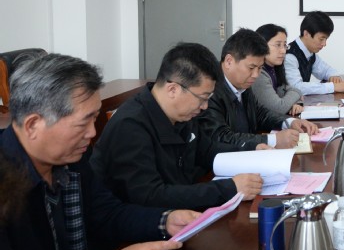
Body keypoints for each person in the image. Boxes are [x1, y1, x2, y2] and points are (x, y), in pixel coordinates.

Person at [0, 53, 199, 250]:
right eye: (82, 123)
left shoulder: (71, 156)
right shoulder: (5, 184)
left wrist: (165, 221)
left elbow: (106, 213)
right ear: (33, 125)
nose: (92, 133)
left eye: (94, 119)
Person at [91, 43, 265, 210]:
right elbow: (151, 196)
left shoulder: (182, 114)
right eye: (202, 98)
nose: (205, 106)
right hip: (145, 222)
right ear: (173, 90)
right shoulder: (130, 126)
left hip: (180, 210)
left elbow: (208, 151)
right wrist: (229, 188)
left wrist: (251, 150)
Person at [199, 29, 318, 150]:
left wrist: (290, 122)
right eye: (251, 68)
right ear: (229, 62)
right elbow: (220, 136)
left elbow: (260, 114)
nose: (256, 75)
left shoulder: (243, 83)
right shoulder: (209, 91)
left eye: (260, 68)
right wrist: (273, 140)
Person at [284, 11, 344, 95]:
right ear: (306, 34)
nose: (324, 44)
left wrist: (334, 76)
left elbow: (325, 70)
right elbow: (296, 87)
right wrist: (334, 87)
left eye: (326, 39)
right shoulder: (290, 56)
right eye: (321, 39)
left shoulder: (310, 53)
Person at [252, 24, 303, 116]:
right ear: (261, 45)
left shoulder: (275, 68)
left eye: (285, 45)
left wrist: (293, 104)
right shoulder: (258, 74)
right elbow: (279, 108)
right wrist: (297, 93)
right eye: (278, 45)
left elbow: (289, 91)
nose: (283, 51)